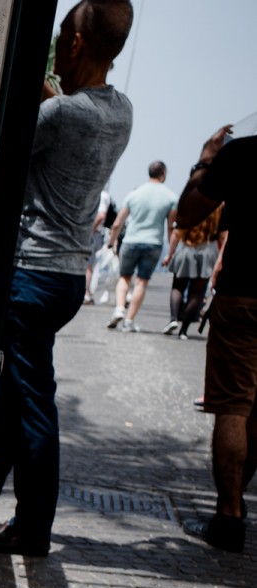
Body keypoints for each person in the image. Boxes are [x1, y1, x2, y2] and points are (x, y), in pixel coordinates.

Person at [0, 0, 134, 557]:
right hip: (66, 277)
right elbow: (74, 124)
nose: (57, 45)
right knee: (15, 391)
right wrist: (55, 98)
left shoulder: (61, 115)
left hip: (31, 273)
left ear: (78, 43)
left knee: (34, 402)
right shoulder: (120, 111)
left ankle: (33, 527)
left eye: (62, 34)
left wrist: (42, 100)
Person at [177, 125, 256, 553]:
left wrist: (206, 160)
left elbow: (187, 213)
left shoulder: (242, 153)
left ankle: (229, 517)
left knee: (233, 406)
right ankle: (235, 503)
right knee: (255, 409)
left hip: (245, 294)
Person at [106, 161, 178, 332]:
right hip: (153, 243)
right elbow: (170, 227)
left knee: (124, 278)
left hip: (131, 241)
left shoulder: (134, 194)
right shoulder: (171, 197)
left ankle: (119, 308)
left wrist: (111, 242)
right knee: (141, 282)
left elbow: (118, 223)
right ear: (163, 174)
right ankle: (129, 321)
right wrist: (171, 252)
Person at [161, 193, 222, 339]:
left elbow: (176, 234)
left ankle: (173, 319)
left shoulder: (189, 205)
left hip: (185, 248)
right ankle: (184, 331)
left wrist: (169, 254)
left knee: (177, 287)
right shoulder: (219, 209)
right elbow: (224, 236)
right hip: (207, 251)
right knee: (196, 293)